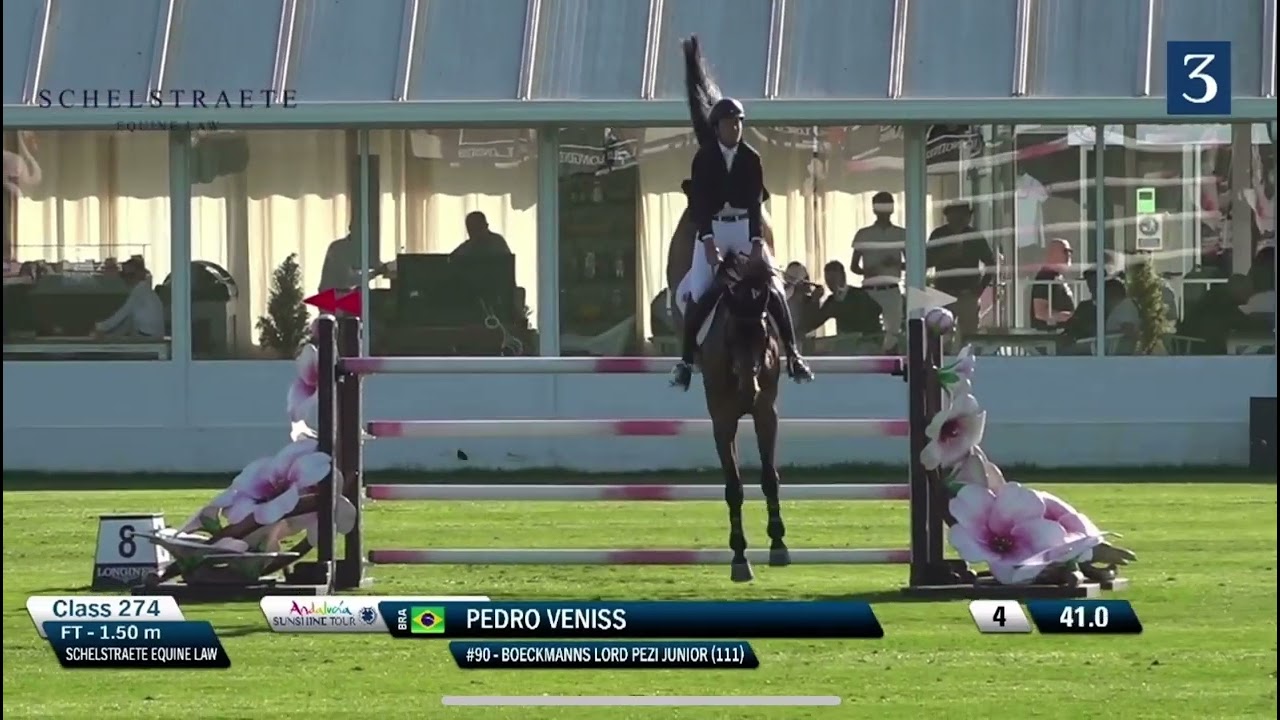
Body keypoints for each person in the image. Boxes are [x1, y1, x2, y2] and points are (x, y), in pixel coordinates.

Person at [669, 44, 812, 390]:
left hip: (745, 230)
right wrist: (707, 242)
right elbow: (701, 204)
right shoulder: (704, 160)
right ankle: (686, 362)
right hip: (714, 230)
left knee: (774, 289)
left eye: (738, 123)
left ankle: (794, 355)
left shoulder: (751, 158)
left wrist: (758, 243)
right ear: (717, 127)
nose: (735, 129)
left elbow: (755, 203)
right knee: (697, 294)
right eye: (729, 124)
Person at [926, 203, 995, 336]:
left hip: (967, 294)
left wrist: (979, 288)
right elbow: (926, 261)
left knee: (969, 336)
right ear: (948, 217)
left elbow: (990, 264)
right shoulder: (939, 235)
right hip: (944, 293)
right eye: (957, 215)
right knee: (942, 336)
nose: (960, 219)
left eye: (964, 215)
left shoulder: (974, 236)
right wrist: (945, 255)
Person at [851, 191, 905, 348]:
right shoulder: (863, 234)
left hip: (892, 290)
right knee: (870, 334)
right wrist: (868, 271)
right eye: (880, 206)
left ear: (892, 208)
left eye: (887, 205)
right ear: (874, 209)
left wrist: (895, 264)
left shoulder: (901, 234)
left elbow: (912, 264)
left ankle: (890, 357)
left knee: (893, 335)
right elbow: (854, 267)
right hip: (870, 292)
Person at [93, 255, 165, 339]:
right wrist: (109, 336)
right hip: (152, 337)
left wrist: (100, 327)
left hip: (148, 339)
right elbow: (128, 322)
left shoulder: (140, 291)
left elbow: (122, 314)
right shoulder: (144, 290)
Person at [318, 224, 392, 293]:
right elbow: (349, 280)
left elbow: (372, 263)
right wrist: (376, 272)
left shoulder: (357, 247)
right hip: (331, 297)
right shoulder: (339, 248)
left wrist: (385, 267)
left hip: (340, 293)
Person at [815, 260, 883, 335]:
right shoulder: (832, 300)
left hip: (867, 338)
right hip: (846, 340)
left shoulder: (860, 294)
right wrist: (815, 300)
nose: (830, 284)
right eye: (828, 280)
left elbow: (876, 310)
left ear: (843, 276)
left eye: (833, 279)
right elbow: (816, 321)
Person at [1030, 238, 1076, 330]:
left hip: (1061, 333)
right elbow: (1040, 312)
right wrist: (1066, 316)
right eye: (1065, 251)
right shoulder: (1045, 277)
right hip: (1049, 334)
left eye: (1070, 252)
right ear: (1052, 253)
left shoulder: (1057, 276)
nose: (1069, 255)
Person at [783, 261, 823, 337]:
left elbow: (816, 321)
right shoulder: (787, 304)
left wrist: (815, 300)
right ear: (800, 283)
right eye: (806, 278)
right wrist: (814, 300)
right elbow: (803, 329)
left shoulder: (809, 300)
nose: (809, 281)